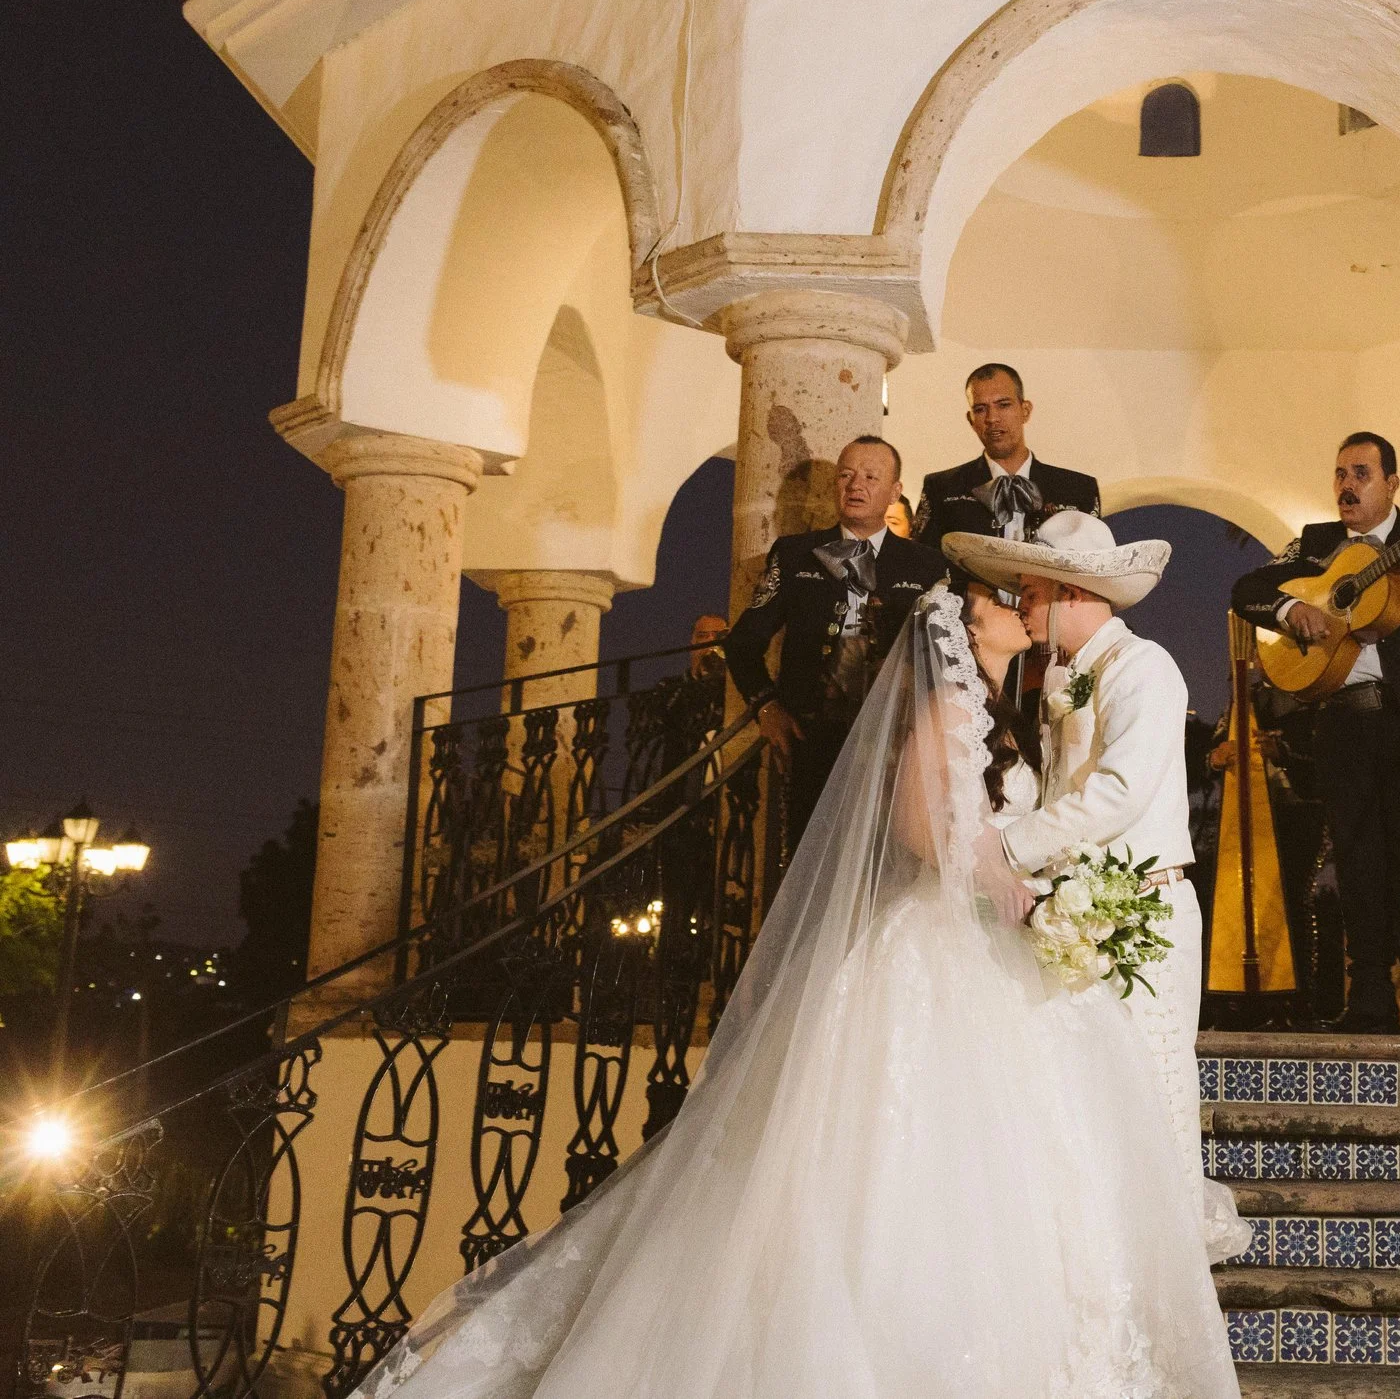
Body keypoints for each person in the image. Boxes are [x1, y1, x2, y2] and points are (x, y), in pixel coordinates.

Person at [355, 579, 1240, 1399]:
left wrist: (1019, 881)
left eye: (1024, 597)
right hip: (939, 943)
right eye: (998, 601)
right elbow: (919, 820)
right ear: (969, 631)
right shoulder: (944, 708)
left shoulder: (1011, 711)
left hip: (992, 946)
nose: (1018, 606)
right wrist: (992, 875)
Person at [947, 510, 1251, 1259]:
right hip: (1081, 914)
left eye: (1031, 591)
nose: (1021, 604)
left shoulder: (1146, 667)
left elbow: (1119, 792)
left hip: (1146, 909)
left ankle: (1168, 1252)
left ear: (1073, 593)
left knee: (1153, 1080)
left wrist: (1004, 846)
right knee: (1093, 1092)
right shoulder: (1060, 676)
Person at [1230, 432, 1400, 1033]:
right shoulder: (1316, 544)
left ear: (1392, 483)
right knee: (1357, 858)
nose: (1347, 485)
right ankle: (1368, 998)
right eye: (1340, 473)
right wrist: (1291, 610)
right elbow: (1247, 590)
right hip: (1341, 722)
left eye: (1361, 473)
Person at [722, 436, 946, 824]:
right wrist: (766, 707)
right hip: (809, 740)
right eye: (846, 475)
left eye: (871, 477)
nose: (856, 485)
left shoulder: (926, 565)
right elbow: (743, 643)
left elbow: (943, 657)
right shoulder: (795, 554)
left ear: (895, 492)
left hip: (895, 740)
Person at [914, 362, 1103, 551]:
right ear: (971, 419)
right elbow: (921, 562)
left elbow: (1094, 563)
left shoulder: (1078, 490)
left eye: (1003, 405)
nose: (992, 418)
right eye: (980, 409)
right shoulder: (941, 488)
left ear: (1025, 410)